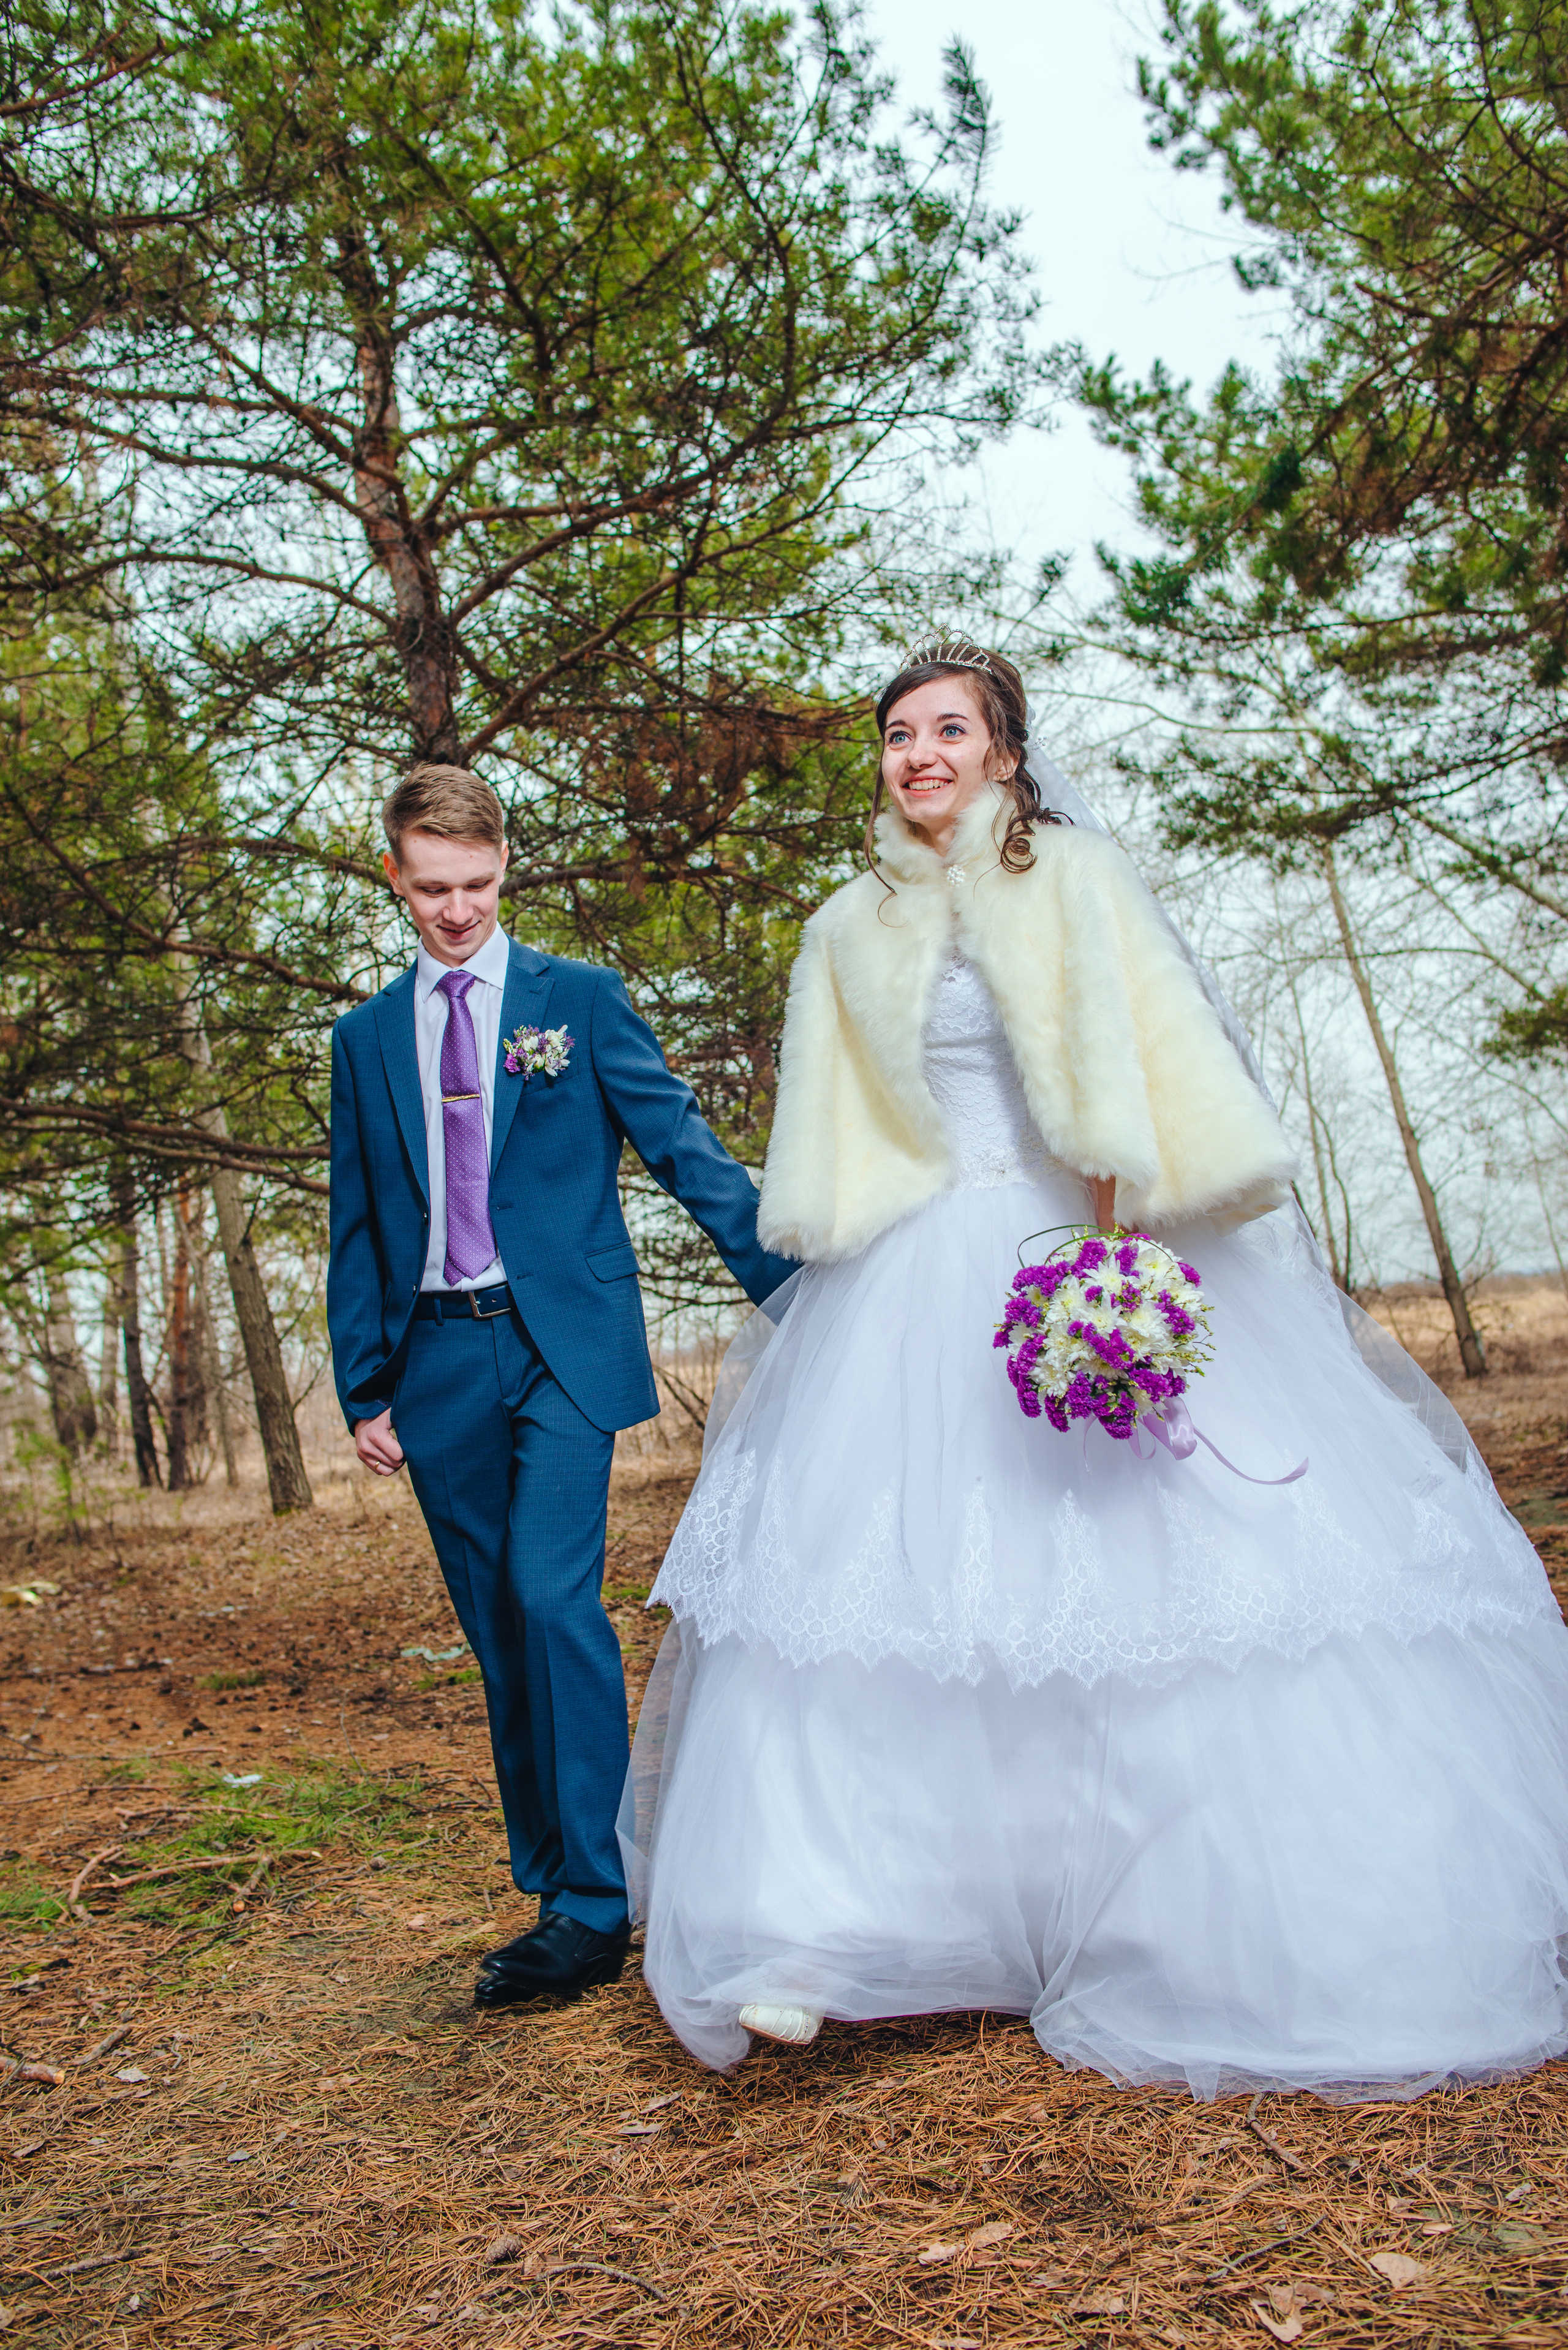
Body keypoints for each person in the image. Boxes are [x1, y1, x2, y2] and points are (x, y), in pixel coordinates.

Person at [621, 640, 1568, 2098]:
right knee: (878, 1588)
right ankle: (824, 1923)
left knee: (1128, 1580)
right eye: (895, 733)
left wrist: (1116, 1264)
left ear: (1004, 751)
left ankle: (1165, 1906)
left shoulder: (1073, 881)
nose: (917, 752)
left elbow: (1141, 1067)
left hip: (1075, 1242)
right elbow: (838, 1128)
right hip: (907, 1275)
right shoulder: (842, 927)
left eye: (948, 728)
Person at [328, 762, 795, 2008]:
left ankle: (596, 1900)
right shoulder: (365, 1038)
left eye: (477, 884)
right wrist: (361, 1385)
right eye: (432, 888)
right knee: (496, 1628)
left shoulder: (574, 1001)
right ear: (395, 876)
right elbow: (359, 1222)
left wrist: (790, 1286)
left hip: (562, 1350)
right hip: (433, 1361)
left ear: (504, 871)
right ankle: (552, 1880)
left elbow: (681, 1142)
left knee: (552, 1595)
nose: (457, 910)